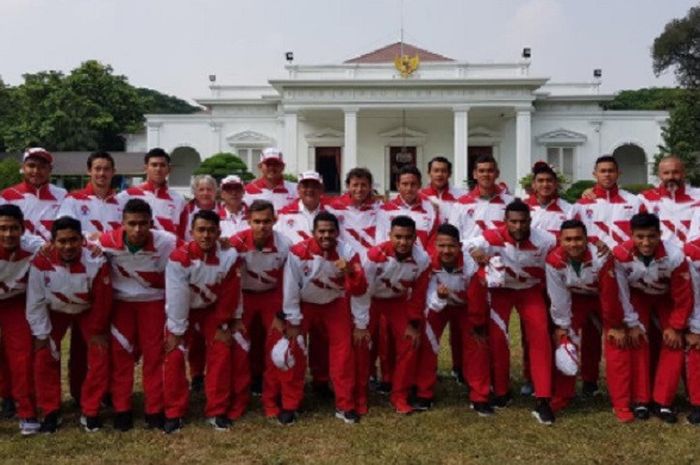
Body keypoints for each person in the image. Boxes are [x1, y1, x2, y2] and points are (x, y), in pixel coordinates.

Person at [466, 200, 556, 425]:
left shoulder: (545, 240)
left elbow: (558, 259)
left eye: (523, 222)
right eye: (513, 222)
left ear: (530, 221)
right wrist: (476, 252)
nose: (518, 226)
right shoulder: (492, 236)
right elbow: (465, 244)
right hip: (502, 293)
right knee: (497, 340)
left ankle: (543, 398)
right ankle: (501, 391)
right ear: (505, 222)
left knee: (540, 339)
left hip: (530, 291)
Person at [163, 210, 247, 433]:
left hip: (212, 312)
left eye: (211, 230)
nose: (206, 235)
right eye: (201, 230)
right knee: (174, 354)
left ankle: (217, 410)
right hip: (185, 312)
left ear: (219, 232)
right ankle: (174, 411)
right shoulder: (178, 258)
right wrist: (177, 331)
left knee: (221, 349)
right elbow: (176, 295)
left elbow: (231, 294)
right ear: (191, 232)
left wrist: (222, 324)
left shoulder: (230, 256)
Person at [26, 216, 112, 433]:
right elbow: (34, 299)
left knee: (98, 355)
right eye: (62, 241)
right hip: (55, 311)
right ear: (52, 241)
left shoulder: (95, 259)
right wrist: (41, 333)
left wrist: (98, 330)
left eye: (73, 240)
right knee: (44, 355)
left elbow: (103, 299)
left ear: (82, 240)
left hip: (87, 311)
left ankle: (90, 409)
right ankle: (50, 410)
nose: (68, 246)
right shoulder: (41, 260)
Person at [99, 198, 179, 431]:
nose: (137, 229)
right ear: (122, 223)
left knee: (155, 356)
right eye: (132, 223)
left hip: (153, 303)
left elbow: (187, 260)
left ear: (151, 223)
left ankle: (154, 409)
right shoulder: (106, 242)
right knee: (120, 356)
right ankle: (121, 408)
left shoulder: (168, 242)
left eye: (143, 224)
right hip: (121, 304)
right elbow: (82, 249)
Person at [280, 211, 367, 425]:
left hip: (334, 304)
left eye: (330, 231)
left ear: (338, 232)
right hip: (305, 304)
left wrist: (350, 272)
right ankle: (291, 404)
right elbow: (290, 286)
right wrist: (292, 319)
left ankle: (345, 405)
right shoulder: (298, 252)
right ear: (313, 232)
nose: (326, 235)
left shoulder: (347, 252)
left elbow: (360, 288)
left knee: (343, 354)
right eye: (322, 231)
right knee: (295, 351)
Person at [570, 155, 643, 397]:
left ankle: (623, 386)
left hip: (625, 277)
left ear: (618, 173)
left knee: (620, 329)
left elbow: (642, 235)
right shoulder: (582, 205)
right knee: (590, 334)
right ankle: (589, 380)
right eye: (603, 171)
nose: (607, 175)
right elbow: (573, 237)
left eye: (611, 170)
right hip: (590, 278)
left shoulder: (634, 202)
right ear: (595, 174)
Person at [609, 212, 692, 423]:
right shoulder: (619, 255)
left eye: (651, 236)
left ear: (660, 235)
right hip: (638, 296)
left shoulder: (675, 255)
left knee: (673, 342)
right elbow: (620, 293)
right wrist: (632, 322)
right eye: (640, 236)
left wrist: (676, 326)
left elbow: (683, 294)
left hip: (666, 297)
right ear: (631, 235)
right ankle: (641, 399)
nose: (646, 242)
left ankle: (664, 401)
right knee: (638, 339)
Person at [353, 215, 430, 415]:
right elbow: (361, 291)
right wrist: (361, 324)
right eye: (398, 237)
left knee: (410, 343)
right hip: (371, 300)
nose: (403, 242)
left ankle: (400, 395)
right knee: (361, 344)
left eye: (407, 237)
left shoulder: (422, 259)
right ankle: (359, 396)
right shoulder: (372, 257)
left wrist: (414, 322)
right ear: (389, 235)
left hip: (397, 302)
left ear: (415, 238)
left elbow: (419, 293)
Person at [545, 220, 622, 418]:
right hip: (576, 299)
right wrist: (561, 325)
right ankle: (562, 395)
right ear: (560, 240)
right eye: (568, 239)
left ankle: (621, 399)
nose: (573, 244)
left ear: (587, 239)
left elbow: (610, 293)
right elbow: (557, 295)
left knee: (615, 340)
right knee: (566, 341)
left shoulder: (601, 256)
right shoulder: (553, 260)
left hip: (601, 297)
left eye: (578, 239)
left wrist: (614, 324)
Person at [413, 224, 491, 415]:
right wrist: (440, 298)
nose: (446, 251)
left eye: (451, 246)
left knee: (477, 345)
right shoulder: (427, 261)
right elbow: (427, 297)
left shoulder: (470, 263)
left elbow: (477, 296)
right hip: (439, 304)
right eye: (442, 246)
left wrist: (478, 324)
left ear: (459, 246)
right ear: (435, 245)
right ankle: (424, 392)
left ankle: (479, 395)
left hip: (466, 307)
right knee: (428, 343)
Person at [229, 200, 291, 410]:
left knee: (276, 345)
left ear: (274, 220)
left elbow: (288, 281)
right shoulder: (235, 243)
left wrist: (282, 313)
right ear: (248, 221)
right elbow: (228, 281)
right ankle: (239, 398)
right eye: (256, 221)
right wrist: (233, 314)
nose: (262, 226)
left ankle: (272, 398)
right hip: (243, 297)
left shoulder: (285, 244)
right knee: (238, 346)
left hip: (271, 296)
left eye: (266, 221)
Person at [0, 205, 44, 435]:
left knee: (21, 355)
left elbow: (61, 248)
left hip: (15, 301)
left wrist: (94, 248)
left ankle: (26, 411)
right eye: (3, 229)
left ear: (23, 228)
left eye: (14, 228)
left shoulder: (35, 246)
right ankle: (5, 396)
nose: (8, 234)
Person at [1, 148, 67, 241]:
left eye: (42, 167)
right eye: (31, 166)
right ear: (23, 167)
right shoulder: (6, 196)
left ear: (50, 169)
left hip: (52, 254)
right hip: (18, 254)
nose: (36, 171)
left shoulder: (63, 195)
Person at [116, 147, 186, 235]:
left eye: (162, 165)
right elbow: (118, 228)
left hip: (169, 248)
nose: (158, 169)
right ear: (146, 168)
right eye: (154, 165)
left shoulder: (179, 199)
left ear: (169, 169)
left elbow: (183, 234)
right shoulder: (126, 196)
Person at [448, 154, 513, 241]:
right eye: (481, 171)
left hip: (501, 254)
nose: (485, 174)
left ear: (497, 174)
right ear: (475, 174)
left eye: (490, 171)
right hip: (470, 253)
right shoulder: (460, 204)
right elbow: (453, 235)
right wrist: (471, 250)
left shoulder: (510, 202)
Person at [58, 151, 122, 240]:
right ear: (89, 171)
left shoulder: (121, 202)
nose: (102, 173)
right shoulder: (73, 199)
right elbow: (64, 228)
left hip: (114, 253)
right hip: (84, 252)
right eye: (97, 169)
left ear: (113, 172)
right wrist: (89, 237)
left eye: (106, 169)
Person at [639, 155, 700, 246]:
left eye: (675, 172)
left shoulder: (698, 196)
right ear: (659, 175)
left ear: (684, 173)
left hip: (692, 257)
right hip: (660, 257)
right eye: (666, 173)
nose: (671, 177)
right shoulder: (644, 199)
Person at [376, 165, 439, 249]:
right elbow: (380, 242)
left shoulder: (431, 209)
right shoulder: (384, 210)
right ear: (398, 185)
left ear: (419, 185)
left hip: (421, 261)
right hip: (393, 261)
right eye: (405, 184)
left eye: (413, 184)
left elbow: (434, 242)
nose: (409, 188)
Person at [325, 167, 382, 259]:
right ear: (348, 186)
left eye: (363, 185)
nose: (359, 189)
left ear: (370, 186)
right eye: (355, 185)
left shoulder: (379, 208)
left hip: (371, 261)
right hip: (345, 261)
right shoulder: (333, 208)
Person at [275, 171, 326, 244]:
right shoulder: (283, 215)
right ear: (298, 189)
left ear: (321, 190)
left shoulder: (332, 212)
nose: (310, 189)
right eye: (305, 186)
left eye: (314, 186)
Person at [524, 161, 572, 238]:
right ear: (533, 184)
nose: (545, 184)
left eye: (549, 180)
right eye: (540, 180)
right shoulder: (522, 207)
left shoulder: (569, 209)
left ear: (556, 184)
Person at [420, 156, 465, 224]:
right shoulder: (420, 195)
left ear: (449, 174)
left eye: (443, 171)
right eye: (436, 171)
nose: (439, 174)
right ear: (429, 173)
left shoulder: (462, 196)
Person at [685, 237, 700, 425]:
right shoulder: (691, 252)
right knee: (696, 350)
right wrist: (696, 328)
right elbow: (695, 296)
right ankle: (698, 404)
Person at [177, 175, 219, 241]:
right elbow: (179, 237)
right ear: (195, 192)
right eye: (201, 190)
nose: (205, 193)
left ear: (215, 191)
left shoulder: (223, 210)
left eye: (209, 189)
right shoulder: (185, 211)